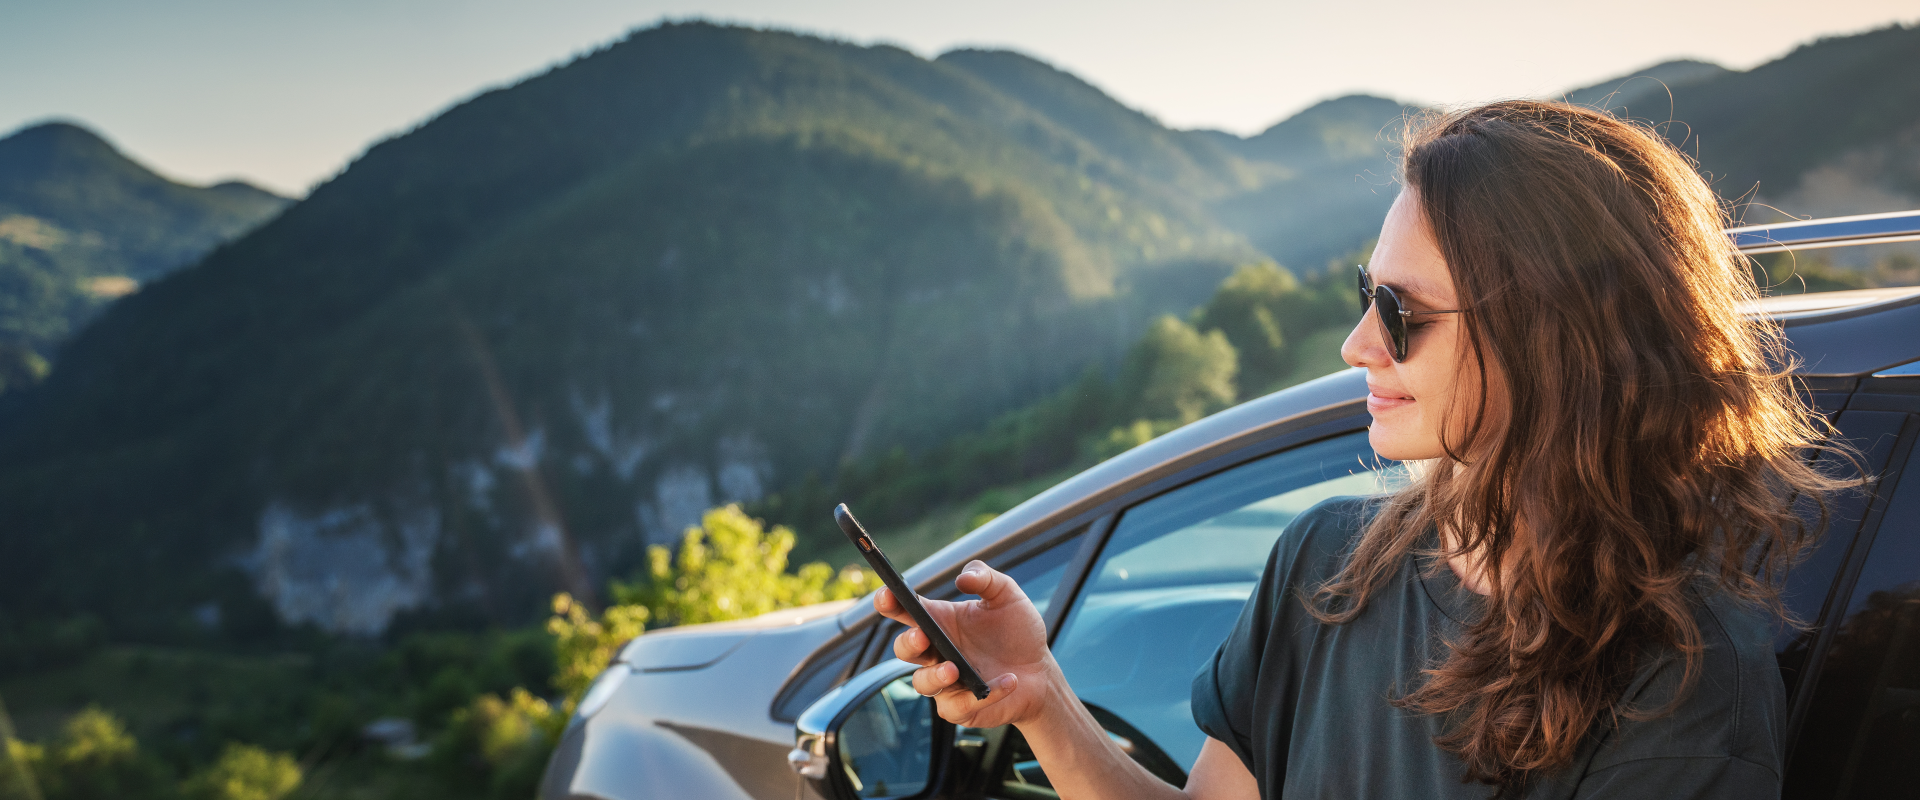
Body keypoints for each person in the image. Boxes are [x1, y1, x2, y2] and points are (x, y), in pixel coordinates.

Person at [875, 99, 1854, 799]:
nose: (1358, 344)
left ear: (1557, 337)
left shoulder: (1681, 686)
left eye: (1400, 310)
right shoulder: (1326, 564)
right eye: (1364, 295)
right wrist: (1042, 695)